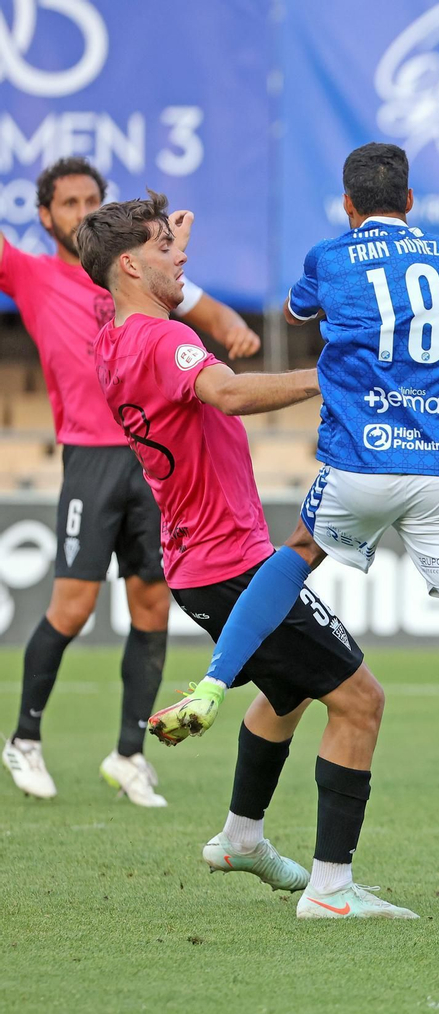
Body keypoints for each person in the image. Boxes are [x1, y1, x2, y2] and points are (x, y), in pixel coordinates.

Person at [150, 143, 439, 884]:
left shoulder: (330, 254)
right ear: (412, 201)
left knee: (294, 555)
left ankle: (214, 685)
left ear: (349, 206)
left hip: (360, 460)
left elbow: (300, 311)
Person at [80, 191, 410, 919]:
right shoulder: (166, 345)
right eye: (167, 248)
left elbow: (138, 293)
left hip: (197, 563)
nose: (182, 256)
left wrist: (169, 251)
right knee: (360, 702)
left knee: (286, 694)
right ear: (132, 264)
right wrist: (331, 379)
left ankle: (241, 836)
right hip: (232, 565)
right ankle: (332, 889)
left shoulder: (113, 338)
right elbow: (225, 393)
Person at [0, 156, 261, 806]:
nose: (82, 210)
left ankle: (129, 754)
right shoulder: (30, 275)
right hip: (90, 457)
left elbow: (219, 320)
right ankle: (24, 739)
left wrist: (212, 304)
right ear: (44, 216)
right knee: (73, 606)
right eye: (68, 202)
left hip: (154, 455)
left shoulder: (134, 275)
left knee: (151, 606)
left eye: (92, 198)